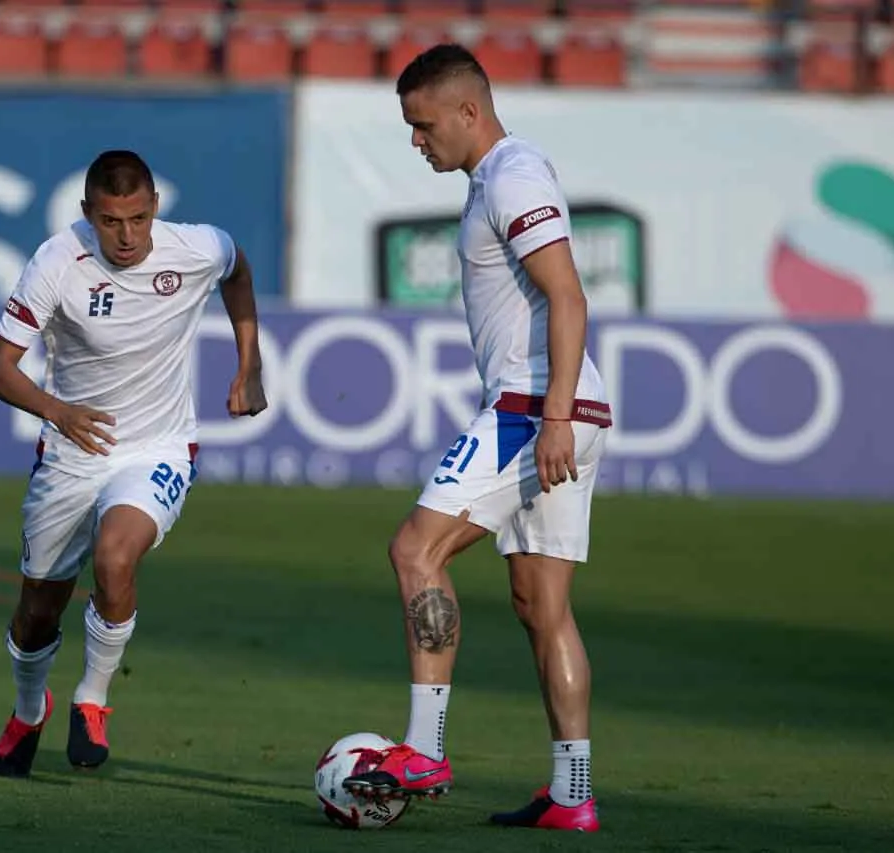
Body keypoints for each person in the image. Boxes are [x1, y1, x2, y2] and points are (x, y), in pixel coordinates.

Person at [341, 44, 611, 833]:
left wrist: (554, 411)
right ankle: (572, 795)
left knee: (414, 550)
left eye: (424, 126)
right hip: (559, 409)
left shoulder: (512, 174)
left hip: (536, 409)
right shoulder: (496, 179)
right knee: (543, 606)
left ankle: (423, 748)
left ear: (468, 111)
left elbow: (568, 294)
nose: (417, 141)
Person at [0, 149, 267, 778]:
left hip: (157, 447)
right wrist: (58, 411)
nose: (128, 236)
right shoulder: (58, 262)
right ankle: (30, 711)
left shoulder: (194, 249)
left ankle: (92, 699)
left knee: (116, 557)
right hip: (71, 456)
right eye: (112, 222)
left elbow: (237, 268)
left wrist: (251, 361)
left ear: (155, 209)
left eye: (138, 219)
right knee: (37, 613)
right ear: (88, 214)